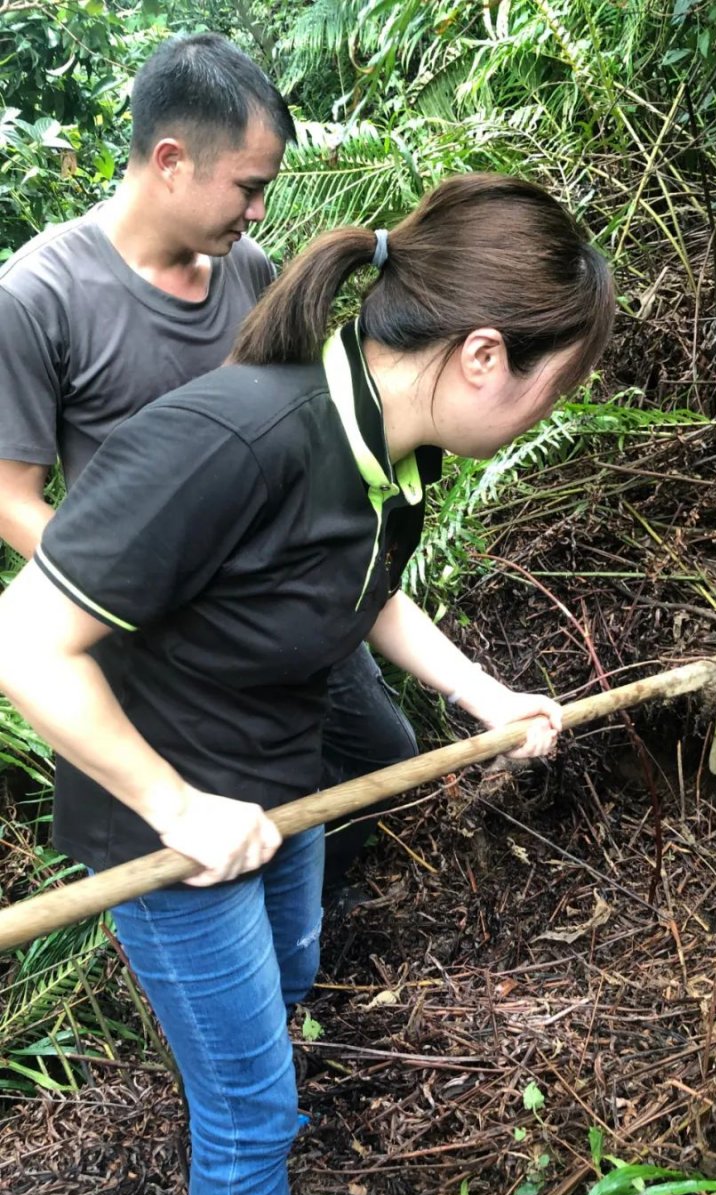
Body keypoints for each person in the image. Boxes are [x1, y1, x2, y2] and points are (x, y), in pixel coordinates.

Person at [0, 172, 615, 1195]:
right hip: (169, 828)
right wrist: (176, 806)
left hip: (285, 783)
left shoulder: (397, 449)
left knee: (287, 980)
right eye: (552, 389)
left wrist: (485, 693)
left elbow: (362, 586)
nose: (549, 414)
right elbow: (24, 643)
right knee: (247, 1118)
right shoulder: (233, 440)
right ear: (484, 356)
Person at [0, 30, 416, 898]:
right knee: (206, 837)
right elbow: (11, 499)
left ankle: (310, 927)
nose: (259, 212)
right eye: (249, 187)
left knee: (381, 754)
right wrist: (151, 599)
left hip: (289, 598)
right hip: (166, 628)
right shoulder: (40, 297)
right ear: (171, 160)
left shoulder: (247, 271)